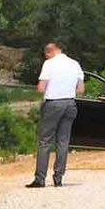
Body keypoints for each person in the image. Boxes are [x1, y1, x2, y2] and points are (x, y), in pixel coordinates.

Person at [27, 42, 84, 188]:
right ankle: (58, 178)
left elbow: (41, 88)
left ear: (48, 53)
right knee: (63, 141)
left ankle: (40, 178)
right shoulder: (75, 64)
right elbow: (81, 89)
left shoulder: (49, 64)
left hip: (53, 104)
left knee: (45, 141)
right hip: (70, 104)